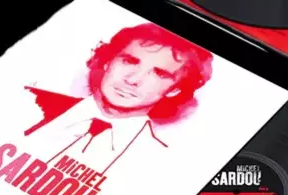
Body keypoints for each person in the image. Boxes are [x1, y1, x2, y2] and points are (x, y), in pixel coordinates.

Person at [21, 23, 213, 176]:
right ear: (107, 61)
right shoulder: (26, 102)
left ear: (175, 90)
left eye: (159, 74)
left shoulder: (159, 161)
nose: (133, 79)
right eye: (129, 61)